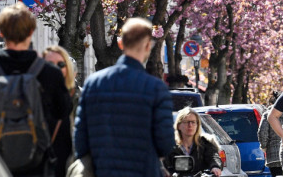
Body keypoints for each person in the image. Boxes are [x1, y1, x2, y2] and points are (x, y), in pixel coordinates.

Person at [0, 2, 71, 177]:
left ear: (1, 32)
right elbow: (64, 110)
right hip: (38, 165)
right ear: (30, 32)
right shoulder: (49, 73)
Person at [74, 17, 175, 177]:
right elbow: (165, 143)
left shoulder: (93, 84)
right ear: (148, 46)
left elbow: (80, 139)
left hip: (102, 170)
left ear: (121, 44)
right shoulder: (156, 89)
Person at [42, 45, 78, 177]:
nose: (55, 69)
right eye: (49, 64)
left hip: (69, 168)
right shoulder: (32, 95)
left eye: (60, 64)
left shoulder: (78, 97)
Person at [165, 107, 222, 176]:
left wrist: (215, 167)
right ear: (179, 125)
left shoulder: (205, 143)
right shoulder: (169, 145)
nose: (190, 125)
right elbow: (163, 165)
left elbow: (213, 157)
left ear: (197, 125)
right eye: (186, 122)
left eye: (193, 122)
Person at [258, 91, 283, 177]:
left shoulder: (267, 114)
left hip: (274, 155)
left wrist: (264, 147)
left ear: (271, 103)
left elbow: (262, 133)